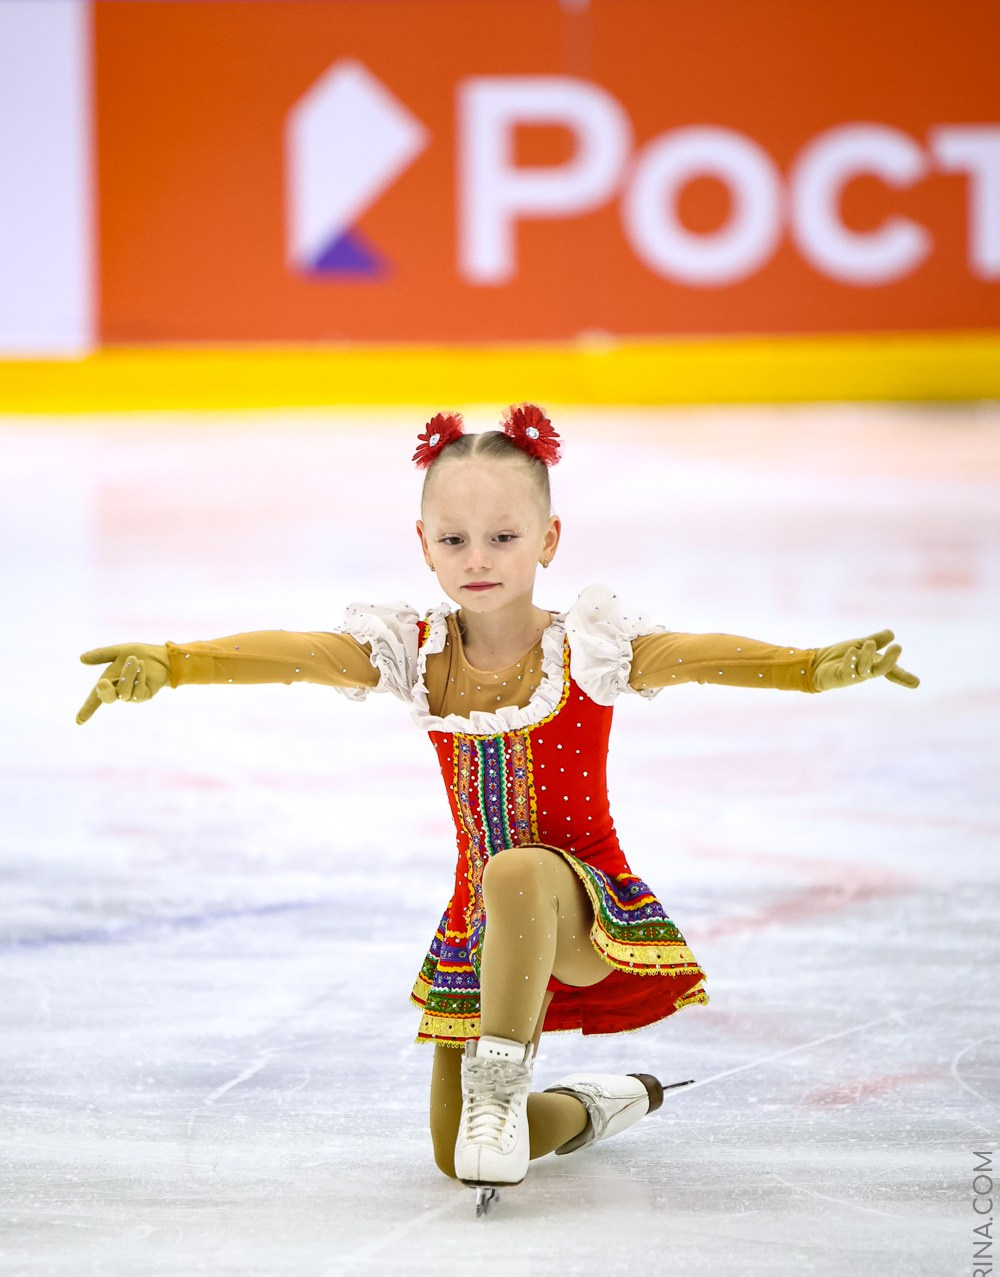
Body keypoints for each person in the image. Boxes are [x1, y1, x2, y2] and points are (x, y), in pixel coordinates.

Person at [75, 403, 919, 1213]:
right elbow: (303, 655)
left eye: (504, 536)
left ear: (549, 540)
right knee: (463, 1155)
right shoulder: (416, 652)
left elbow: (694, 656)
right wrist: (175, 661)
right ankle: (590, 1105)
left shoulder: (587, 648)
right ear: (424, 548)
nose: (479, 556)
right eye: (454, 538)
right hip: (481, 925)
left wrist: (808, 667)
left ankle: (501, 1082)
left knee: (516, 869)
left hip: (587, 913)